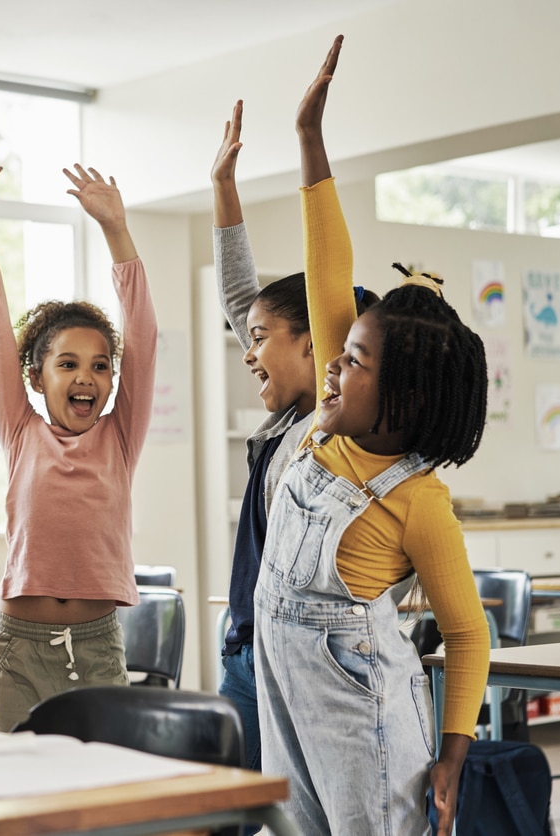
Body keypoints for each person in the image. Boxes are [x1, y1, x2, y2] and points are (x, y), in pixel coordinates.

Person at [253, 36, 491, 836]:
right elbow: (329, 266)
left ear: (402, 396)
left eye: (351, 362)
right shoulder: (331, 430)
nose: (330, 371)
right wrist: (309, 143)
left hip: (363, 711)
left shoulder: (419, 499)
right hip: (280, 680)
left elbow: (464, 631)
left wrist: (453, 751)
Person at [0, 148, 157, 732]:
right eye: (67, 364)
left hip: (98, 648)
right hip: (19, 649)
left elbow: (141, 335)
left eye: (99, 366)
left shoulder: (120, 438)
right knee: (23, 809)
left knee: (98, 808)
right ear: (35, 378)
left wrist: (116, 229)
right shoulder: (22, 433)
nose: (86, 377)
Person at [211, 98, 377, 775]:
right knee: (226, 808)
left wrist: (308, 139)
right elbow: (238, 298)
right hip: (245, 645)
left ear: (314, 344)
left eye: (259, 341)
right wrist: (222, 191)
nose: (247, 353)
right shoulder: (284, 422)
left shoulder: (325, 431)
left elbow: (328, 291)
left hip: (299, 655)